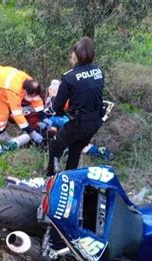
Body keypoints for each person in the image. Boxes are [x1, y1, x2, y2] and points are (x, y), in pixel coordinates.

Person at [46, 36, 105, 176]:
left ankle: (51, 177)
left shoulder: (69, 77)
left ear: (75, 55)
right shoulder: (99, 71)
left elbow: (57, 107)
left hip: (79, 123)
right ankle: (69, 177)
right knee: (76, 148)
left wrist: (53, 95)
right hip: (96, 120)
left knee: (55, 146)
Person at [0, 65, 43, 144]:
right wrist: (31, 132)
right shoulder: (14, 91)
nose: (32, 98)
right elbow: (17, 114)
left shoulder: (29, 82)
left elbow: (36, 98)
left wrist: (42, 116)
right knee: (3, 112)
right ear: (25, 91)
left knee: (7, 107)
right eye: (31, 96)